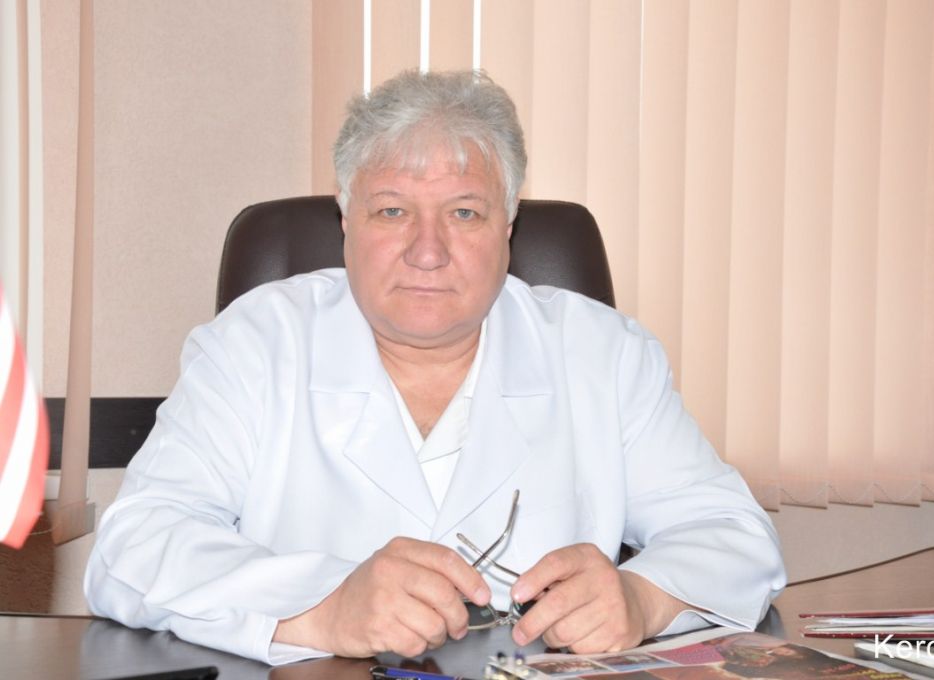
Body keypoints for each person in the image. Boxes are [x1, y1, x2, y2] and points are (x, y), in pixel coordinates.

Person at [84, 70, 786, 665]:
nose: (428, 251)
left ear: (508, 224)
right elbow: (133, 547)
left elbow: (735, 538)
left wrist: (643, 597)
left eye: (464, 214)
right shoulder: (256, 345)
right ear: (346, 220)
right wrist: (322, 607)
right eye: (392, 211)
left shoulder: (603, 355)